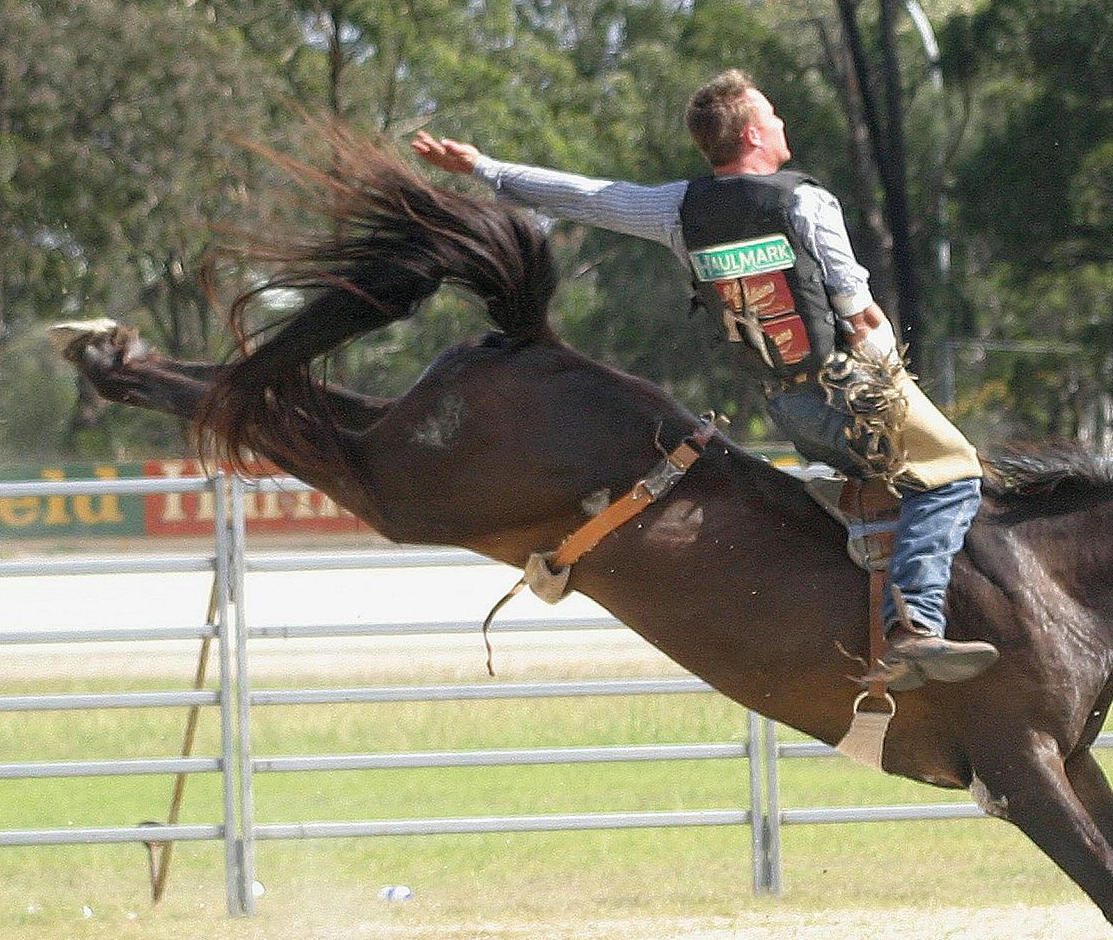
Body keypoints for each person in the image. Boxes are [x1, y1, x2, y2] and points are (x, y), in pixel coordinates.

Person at [411, 69, 997, 689]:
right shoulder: (805, 201)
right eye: (772, 116)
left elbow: (585, 195)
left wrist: (482, 167)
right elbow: (860, 312)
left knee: (885, 483)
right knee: (954, 474)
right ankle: (914, 625)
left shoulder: (677, 208)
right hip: (851, 391)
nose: (781, 124)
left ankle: (868, 614)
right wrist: (901, 382)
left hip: (787, 409)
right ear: (751, 135)